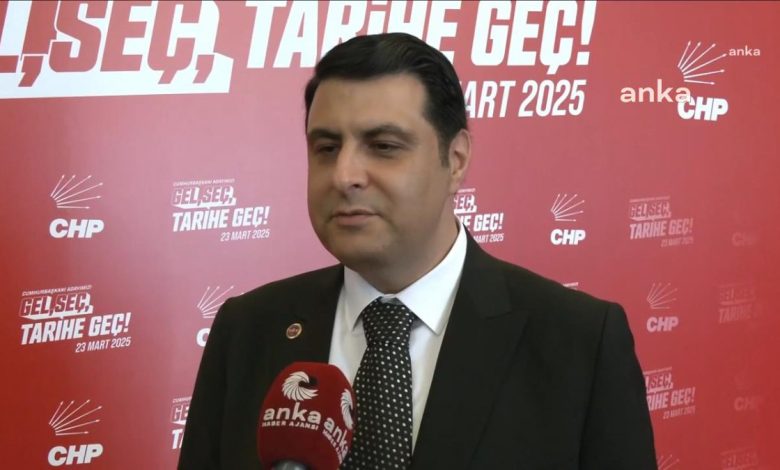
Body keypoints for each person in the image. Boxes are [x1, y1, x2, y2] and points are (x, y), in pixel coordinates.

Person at [179, 33, 656, 469]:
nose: (344, 175)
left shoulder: (580, 343)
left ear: (456, 160)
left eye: (383, 146)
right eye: (326, 148)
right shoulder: (247, 330)